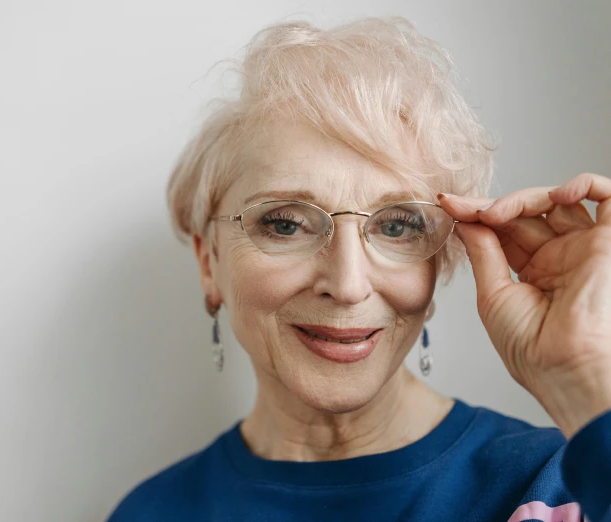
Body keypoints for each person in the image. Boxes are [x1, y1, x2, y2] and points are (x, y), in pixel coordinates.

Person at [108, 17, 611, 522]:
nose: (348, 286)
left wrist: (585, 379)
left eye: (397, 227)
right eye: (285, 225)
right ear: (208, 264)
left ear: (439, 262)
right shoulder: (152, 512)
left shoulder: (560, 488)